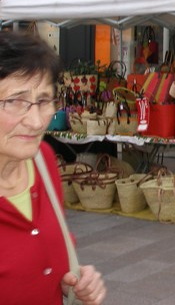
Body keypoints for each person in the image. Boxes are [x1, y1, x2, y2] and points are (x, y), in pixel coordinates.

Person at [0, 31, 107, 305]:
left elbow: (46, 253)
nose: (36, 122)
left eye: (44, 100)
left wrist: (71, 280)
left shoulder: (43, 161)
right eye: (15, 101)